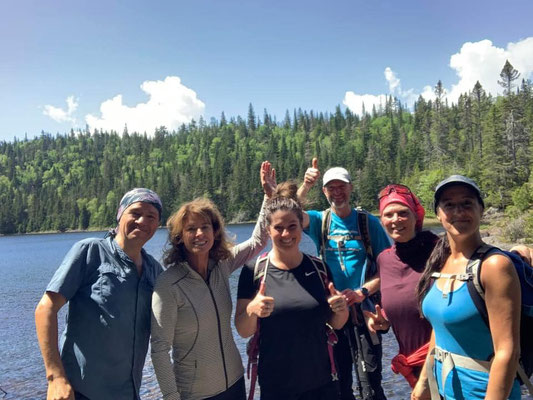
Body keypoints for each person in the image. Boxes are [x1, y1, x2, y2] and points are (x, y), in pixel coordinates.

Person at [150, 162, 273, 400]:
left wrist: (268, 197)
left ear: (215, 231)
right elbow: (159, 349)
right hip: (196, 393)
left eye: (205, 227)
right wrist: (171, 396)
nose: (199, 234)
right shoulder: (169, 284)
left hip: (235, 382)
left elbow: (258, 241)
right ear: (179, 237)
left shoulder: (222, 265)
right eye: (191, 229)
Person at [35, 188, 164, 400]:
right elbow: (45, 309)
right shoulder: (91, 252)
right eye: (136, 213)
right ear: (120, 214)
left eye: (151, 216)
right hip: (81, 392)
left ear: (157, 225)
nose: (143, 221)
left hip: (128, 393)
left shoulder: (154, 271)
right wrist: (55, 378)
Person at [235, 183, 349, 400]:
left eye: (292, 226)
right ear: (268, 230)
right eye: (278, 227)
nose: (286, 233)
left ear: (301, 227)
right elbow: (242, 330)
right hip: (277, 387)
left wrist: (341, 310)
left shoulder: (319, 268)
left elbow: (336, 323)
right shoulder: (254, 271)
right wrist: (252, 309)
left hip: (322, 383)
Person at [415, 175, 522, 399]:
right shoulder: (440, 261)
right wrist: (424, 382)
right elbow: (441, 326)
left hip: (484, 392)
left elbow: (507, 352)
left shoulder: (494, 266)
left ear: (481, 210)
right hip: (445, 389)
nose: (458, 212)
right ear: (438, 214)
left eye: (467, 203)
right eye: (449, 205)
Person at [297, 158, 391, 400]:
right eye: (332, 188)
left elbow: (387, 269)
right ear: (325, 191)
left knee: (370, 382)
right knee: (337, 382)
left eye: (342, 187)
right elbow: (290, 212)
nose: (337, 193)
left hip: (365, 313)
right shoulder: (320, 220)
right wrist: (306, 185)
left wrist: (362, 291)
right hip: (332, 314)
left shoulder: (368, 223)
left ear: (350, 188)